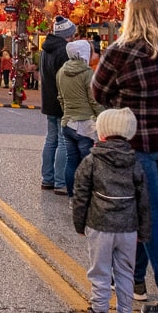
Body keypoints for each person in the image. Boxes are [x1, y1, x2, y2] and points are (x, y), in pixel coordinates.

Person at [90, 0, 158, 313]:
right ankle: (136, 280)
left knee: (150, 224)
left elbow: (99, 92)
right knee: (142, 212)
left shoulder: (121, 52)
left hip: (139, 143)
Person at [72, 107, 151, 313]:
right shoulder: (135, 162)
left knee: (101, 270)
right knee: (125, 271)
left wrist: (79, 223)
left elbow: (81, 193)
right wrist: (143, 231)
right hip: (128, 228)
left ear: (102, 132)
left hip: (100, 225)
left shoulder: (93, 160)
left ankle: (99, 312)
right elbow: (143, 200)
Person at [56, 39, 102, 196]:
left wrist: (67, 112)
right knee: (85, 164)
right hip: (85, 125)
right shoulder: (87, 73)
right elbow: (93, 100)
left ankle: (71, 197)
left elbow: (60, 98)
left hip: (67, 123)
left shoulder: (61, 72)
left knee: (71, 162)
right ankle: (85, 198)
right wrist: (102, 116)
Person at [40, 17, 77, 192]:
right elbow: (67, 78)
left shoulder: (45, 50)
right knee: (63, 141)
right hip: (62, 101)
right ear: (67, 34)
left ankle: (47, 178)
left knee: (50, 139)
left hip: (48, 99)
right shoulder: (64, 51)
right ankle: (61, 182)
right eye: (72, 34)